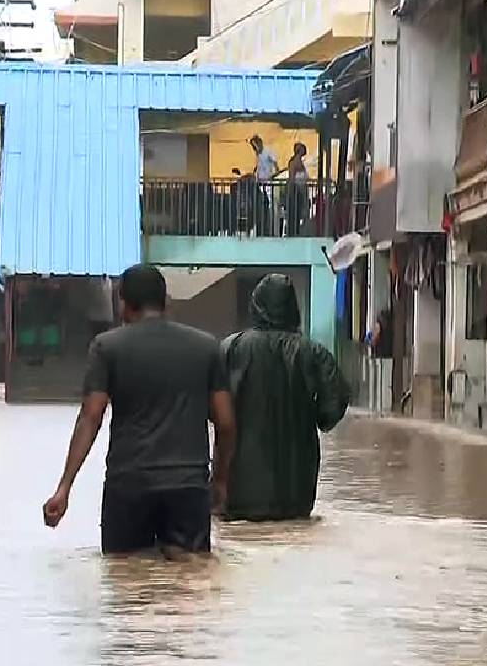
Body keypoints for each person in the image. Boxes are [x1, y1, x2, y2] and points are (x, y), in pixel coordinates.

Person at [43, 265, 236, 555]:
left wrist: (65, 487)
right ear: (166, 302)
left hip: (129, 484)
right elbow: (226, 423)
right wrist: (219, 481)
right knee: (190, 585)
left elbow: (91, 416)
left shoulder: (107, 347)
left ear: (123, 303)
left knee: (126, 580)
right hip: (188, 486)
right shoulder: (207, 347)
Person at [221, 274, 350, 522]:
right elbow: (335, 402)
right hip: (296, 484)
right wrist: (313, 417)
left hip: (242, 483)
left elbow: (212, 406)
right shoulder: (313, 352)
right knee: (294, 527)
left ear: (256, 306)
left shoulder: (232, 348)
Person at [285, 142, 309, 237]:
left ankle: (297, 230)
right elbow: (292, 177)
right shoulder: (294, 162)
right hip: (296, 190)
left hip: (300, 190)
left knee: (298, 212)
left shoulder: (300, 162)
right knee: (294, 212)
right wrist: (291, 190)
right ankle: (293, 232)